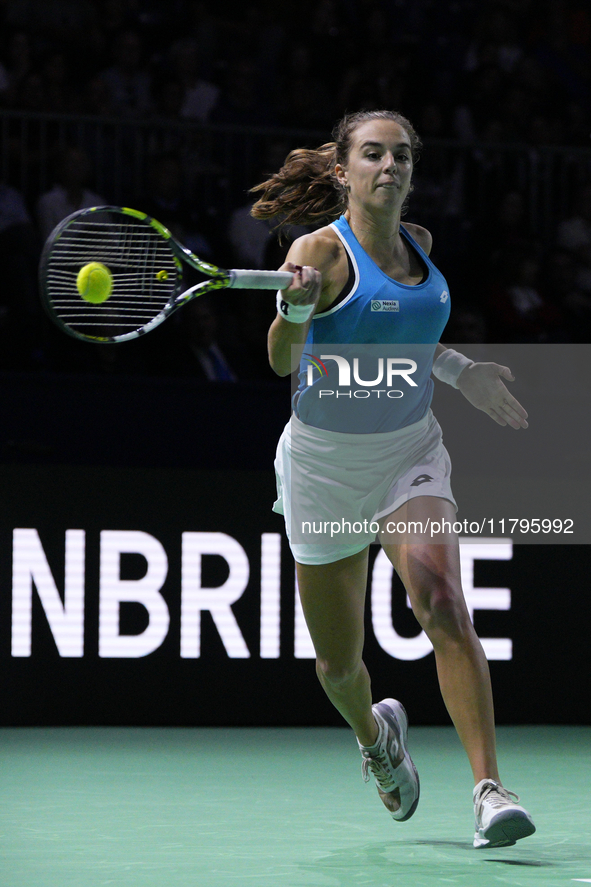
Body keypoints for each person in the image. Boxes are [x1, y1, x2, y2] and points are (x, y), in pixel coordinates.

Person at [250, 109, 536, 849]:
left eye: (401, 156)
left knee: (442, 599)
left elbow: (412, 341)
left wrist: (461, 371)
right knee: (339, 666)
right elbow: (282, 360)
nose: (390, 167)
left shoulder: (421, 244)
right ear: (343, 171)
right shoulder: (318, 250)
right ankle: (376, 737)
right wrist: (293, 308)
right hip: (322, 467)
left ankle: (488, 789)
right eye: (373, 155)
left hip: (408, 450)